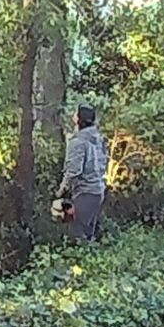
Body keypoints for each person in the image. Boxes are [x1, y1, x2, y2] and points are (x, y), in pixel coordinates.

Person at [59, 103, 107, 241]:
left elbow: (74, 171)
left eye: (75, 113)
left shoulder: (78, 142)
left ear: (79, 119)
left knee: (76, 236)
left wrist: (62, 190)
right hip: (98, 191)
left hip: (84, 193)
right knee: (87, 234)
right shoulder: (98, 139)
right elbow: (104, 163)